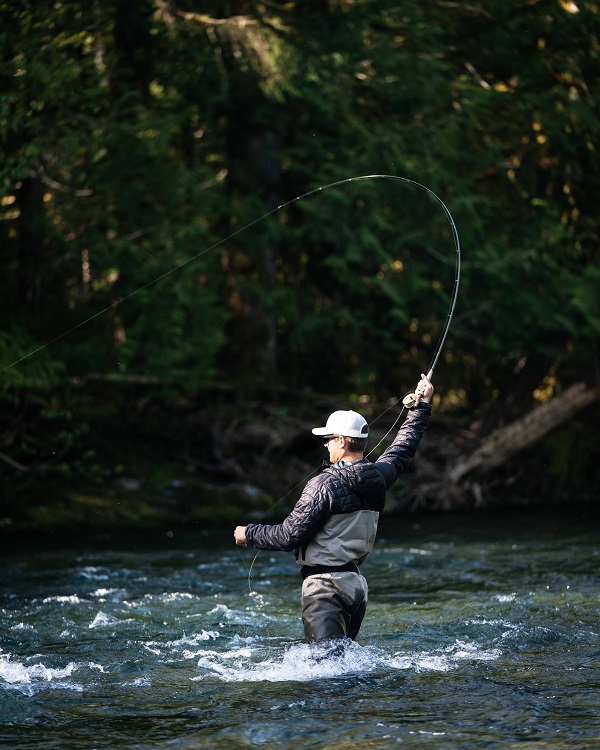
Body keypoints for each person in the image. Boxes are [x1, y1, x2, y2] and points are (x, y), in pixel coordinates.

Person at [234, 373, 434, 644]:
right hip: (355, 589)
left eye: (328, 438)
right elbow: (403, 448)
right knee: (340, 669)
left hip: (325, 589)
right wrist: (421, 407)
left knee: (324, 675)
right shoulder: (380, 477)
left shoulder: (324, 484)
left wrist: (249, 533)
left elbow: (290, 535)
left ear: (341, 441)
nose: (325, 444)